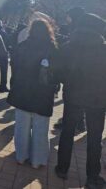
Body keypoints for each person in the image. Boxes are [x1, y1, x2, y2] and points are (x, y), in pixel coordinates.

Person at [55, 13, 106, 188]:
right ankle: (92, 177)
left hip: (72, 96)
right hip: (98, 99)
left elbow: (59, 73)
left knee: (67, 132)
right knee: (94, 138)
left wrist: (69, 82)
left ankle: (62, 168)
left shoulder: (68, 47)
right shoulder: (103, 49)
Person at [7, 20, 58, 169]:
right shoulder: (52, 48)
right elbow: (57, 73)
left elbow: (14, 69)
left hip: (22, 92)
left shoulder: (22, 46)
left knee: (21, 127)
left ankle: (21, 156)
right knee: (41, 128)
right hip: (43, 94)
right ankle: (38, 160)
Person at [0, 20, 10, 93]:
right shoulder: (3, 33)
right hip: (3, 54)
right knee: (4, 72)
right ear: (1, 25)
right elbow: (7, 43)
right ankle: (3, 87)